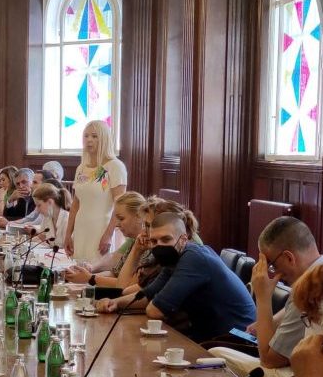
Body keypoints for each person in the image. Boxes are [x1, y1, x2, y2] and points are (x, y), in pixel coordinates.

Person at [98, 213, 256, 342]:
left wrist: (155, 303)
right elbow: (147, 294)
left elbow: (155, 311)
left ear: (183, 239)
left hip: (236, 339)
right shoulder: (174, 258)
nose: (159, 245)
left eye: (166, 239)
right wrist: (115, 303)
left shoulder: (193, 258)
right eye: (154, 241)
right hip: (212, 336)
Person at [209, 217, 323, 377]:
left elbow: (269, 360)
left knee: (215, 357)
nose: (273, 272)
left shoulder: (311, 287)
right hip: (309, 372)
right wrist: (266, 322)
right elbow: (292, 311)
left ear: (289, 258)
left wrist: (263, 298)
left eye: (272, 264)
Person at [65, 120, 128, 262]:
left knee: (96, 268)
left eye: (94, 136)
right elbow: (75, 205)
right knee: (78, 268)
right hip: (81, 228)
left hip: (101, 228)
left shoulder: (115, 166)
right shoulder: (81, 168)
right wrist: (68, 234)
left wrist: (109, 234)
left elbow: (120, 205)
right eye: (86, 136)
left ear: (104, 138)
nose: (89, 140)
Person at [64, 191, 146, 289]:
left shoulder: (148, 244)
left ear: (139, 216)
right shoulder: (133, 240)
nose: (117, 224)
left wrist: (90, 278)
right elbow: (114, 270)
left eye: (121, 218)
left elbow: (127, 284)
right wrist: (86, 273)